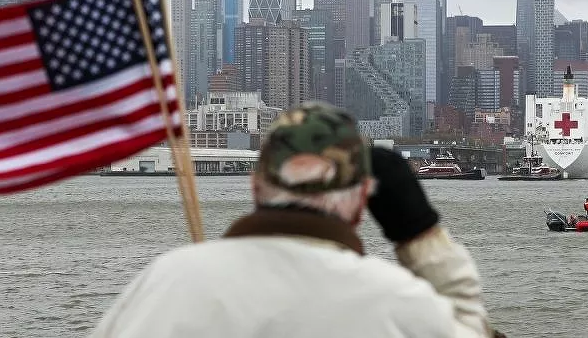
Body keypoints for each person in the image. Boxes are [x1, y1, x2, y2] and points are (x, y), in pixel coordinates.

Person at [90, 102, 493, 338]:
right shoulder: (394, 301)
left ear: (256, 187)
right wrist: (420, 232)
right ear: (359, 203)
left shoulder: (164, 282)